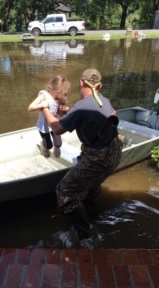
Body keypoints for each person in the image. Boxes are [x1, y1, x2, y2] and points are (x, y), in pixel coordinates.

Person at [38, 68, 123, 240]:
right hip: (115, 152)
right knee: (89, 185)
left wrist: (46, 108)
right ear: (100, 86)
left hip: (99, 157)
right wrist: (68, 113)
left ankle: (84, 235)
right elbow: (98, 116)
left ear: (81, 84)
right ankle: (92, 212)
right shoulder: (105, 101)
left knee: (64, 192)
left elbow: (57, 128)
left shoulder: (82, 106)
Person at [28, 75, 70, 158]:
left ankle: (56, 148)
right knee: (49, 145)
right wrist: (42, 105)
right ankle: (43, 146)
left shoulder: (59, 100)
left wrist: (64, 111)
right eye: (64, 94)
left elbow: (59, 113)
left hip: (53, 123)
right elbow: (30, 108)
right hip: (44, 126)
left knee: (58, 143)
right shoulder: (44, 96)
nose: (65, 96)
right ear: (58, 92)